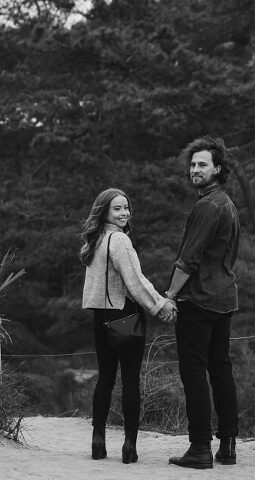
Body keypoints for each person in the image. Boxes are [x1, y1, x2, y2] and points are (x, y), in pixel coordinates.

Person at [79, 187, 177, 465]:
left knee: (105, 378)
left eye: (126, 207)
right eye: (117, 209)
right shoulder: (119, 240)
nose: (124, 213)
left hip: (101, 318)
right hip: (125, 317)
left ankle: (98, 441)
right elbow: (135, 282)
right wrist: (159, 305)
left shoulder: (95, 239)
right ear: (105, 211)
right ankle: (129, 446)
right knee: (131, 381)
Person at [166, 136, 240, 469]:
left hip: (199, 300)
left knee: (194, 372)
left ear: (218, 169)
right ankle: (227, 446)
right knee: (220, 368)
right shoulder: (227, 203)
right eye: (193, 164)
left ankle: (199, 448)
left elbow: (188, 259)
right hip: (224, 297)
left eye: (203, 165)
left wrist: (169, 296)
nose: (195, 169)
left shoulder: (208, 205)